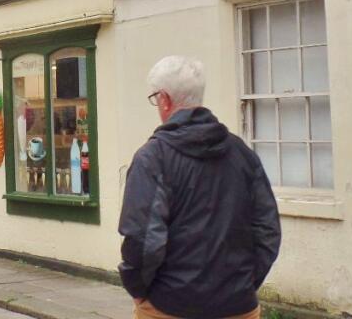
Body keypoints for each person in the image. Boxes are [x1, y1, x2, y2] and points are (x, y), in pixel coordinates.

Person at [119, 56, 281, 319]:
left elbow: (143, 238)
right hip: (238, 305)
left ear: (164, 99)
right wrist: (246, 282)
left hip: (169, 306)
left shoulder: (153, 157)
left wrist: (137, 289)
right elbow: (267, 229)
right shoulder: (241, 153)